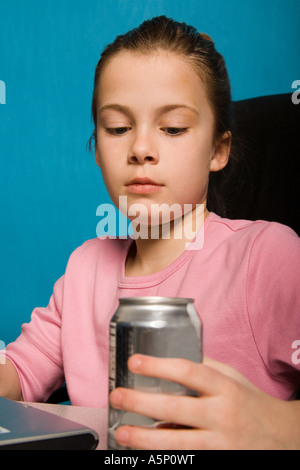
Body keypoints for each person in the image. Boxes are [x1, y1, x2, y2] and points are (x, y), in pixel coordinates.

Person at [1, 16, 300, 450]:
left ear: (218, 150)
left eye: (173, 128)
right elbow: (21, 372)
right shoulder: (85, 267)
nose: (141, 149)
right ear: (97, 150)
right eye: (119, 129)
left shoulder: (267, 256)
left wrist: (279, 425)